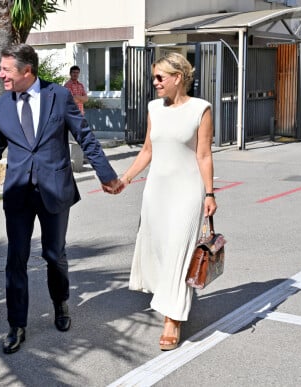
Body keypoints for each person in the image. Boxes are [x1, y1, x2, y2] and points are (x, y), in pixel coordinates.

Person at [0, 44, 121, 354]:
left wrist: (106, 174)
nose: (0, 74)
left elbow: (85, 137)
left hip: (54, 188)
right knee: (16, 259)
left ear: (27, 71)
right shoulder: (2, 105)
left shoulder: (59, 96)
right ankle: (16, 325)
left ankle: (61, 304)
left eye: (6, 70)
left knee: (54, 254)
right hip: (18, 193)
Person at [116, 52, 217, 351]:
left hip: (187, 191)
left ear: (178, 78)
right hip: (156, 192)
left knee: (178, 251)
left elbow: (204, 154)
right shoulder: (153, 108)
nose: (155, 83)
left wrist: (210, 193)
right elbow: (147, 150)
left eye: (160, 77)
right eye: (154, 78)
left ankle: (172, 320)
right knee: (161, 249)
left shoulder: (201, 109)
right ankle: (170, 299)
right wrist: (125, 179)